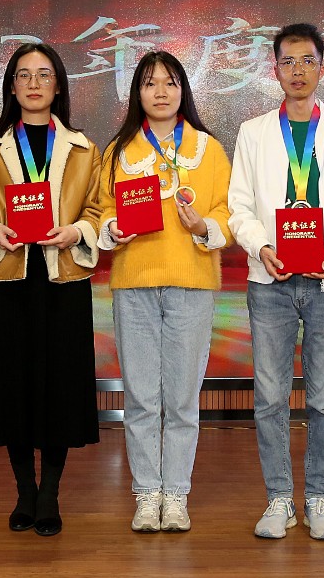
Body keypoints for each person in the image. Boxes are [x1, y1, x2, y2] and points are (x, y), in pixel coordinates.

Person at [227, 22, 324, 540]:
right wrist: (261, 247)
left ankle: (318, 498)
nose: (297, 71)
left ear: (323, 66)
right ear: (274, 69)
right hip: (270, 279)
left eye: (307, 61)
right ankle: (278, 499)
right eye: (288, 62)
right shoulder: (253, 132)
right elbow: (239, 206)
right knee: (270, 398)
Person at [0, 43, 104, 536]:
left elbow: (98, 209)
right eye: (24, 75)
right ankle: (24, 489)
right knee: (13, 385)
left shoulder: (84, 148)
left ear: (58, 85)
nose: (35, 83)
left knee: (60, 386)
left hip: (63, 280)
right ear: (12, 86)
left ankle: (50, 492)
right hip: (9, 279)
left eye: (44, 74)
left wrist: (76, 231)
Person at [95, 51, 231, 533]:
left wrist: (203, 226)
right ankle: (145, 493)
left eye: (170, 83)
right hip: (134, 282)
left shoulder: (208, 149)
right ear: (137, 92)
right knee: (140, 396)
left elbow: (228, 211)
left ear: (183, 91)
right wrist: (113, 228)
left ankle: (175, 495)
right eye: (150, 83)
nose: (160, 92)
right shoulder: (119, 151)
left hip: (192, 282)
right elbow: (102, 209)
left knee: (182, 398)